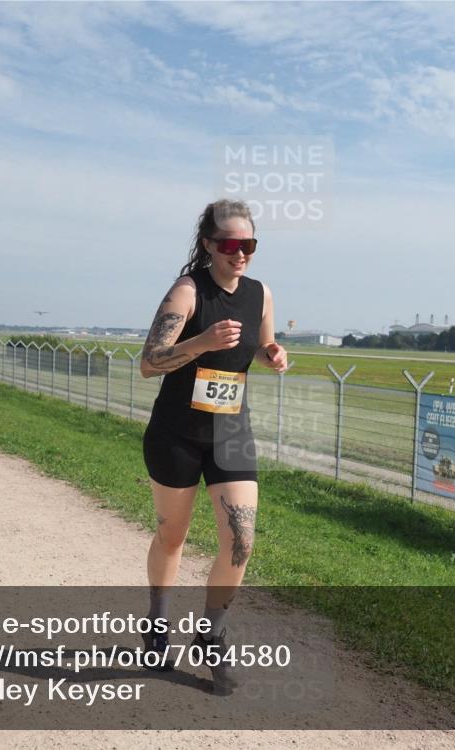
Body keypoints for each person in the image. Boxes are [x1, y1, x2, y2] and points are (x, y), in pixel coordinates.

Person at [139, 199, 287, 695]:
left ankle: (211, 635)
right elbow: (150, 361)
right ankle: (158, 621)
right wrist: (200, 342)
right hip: (176, 434)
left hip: (230, 434)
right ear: (208, 244)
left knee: (241, 540)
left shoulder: (260, 294)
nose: (240, 253)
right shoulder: (188, 291)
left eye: (248, 244)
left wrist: (272, 353)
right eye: (229, 244)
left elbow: (263, 344)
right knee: (173, 537)